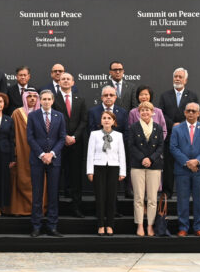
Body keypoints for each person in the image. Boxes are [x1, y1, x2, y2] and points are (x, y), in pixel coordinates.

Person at [26, 89, 66, 237]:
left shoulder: (59, 116)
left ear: (53, 101)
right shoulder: (32, 116)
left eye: (49, 99)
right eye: (44, 99)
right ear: (39, 101)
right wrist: (42, 154)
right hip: (37, 159)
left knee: (53, 194)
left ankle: (52, 226)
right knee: (37, 194)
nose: (46, 101)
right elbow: (30, 138)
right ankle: (36, 226)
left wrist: (52, 154)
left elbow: (62, 138)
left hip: (54, 160)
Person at [53, 72, 88, 217]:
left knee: (75, 177)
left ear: (73, 82)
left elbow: (83, 121)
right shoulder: (53, 99)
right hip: (58, 144)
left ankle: (76, 207)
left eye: (68, 79)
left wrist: (74, 137)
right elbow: (53, 120)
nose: (66, 81)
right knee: (56, 176)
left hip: (76, 143)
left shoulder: (80, 100)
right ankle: (54, 208)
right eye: (63, 79)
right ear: (59, 82)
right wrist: (64, 137)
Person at [158, 67, 199, 195]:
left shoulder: (192, 96)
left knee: (185, 163)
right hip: (169, 134)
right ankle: (167, 191)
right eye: (175, 76)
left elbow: (195, 114)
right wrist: (173, 124)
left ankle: (185, 191)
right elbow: (161, 114)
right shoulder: (165, 95)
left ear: (185, 80)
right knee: (168, 165)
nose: (177, 79)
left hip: (186, 135)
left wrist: (180, 125)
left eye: (180, 77)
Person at [86, 110, 127, 235]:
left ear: (113, 121)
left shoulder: (118, 135)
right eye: (104, 118)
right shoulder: (94, 134)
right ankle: (100, 225)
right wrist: (90, 171)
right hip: (99, 166)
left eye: (109, 118)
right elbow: (90, 153)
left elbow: (122, 154)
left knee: (111, 197)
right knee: (100, 197)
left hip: (114, 167)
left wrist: (123, 171)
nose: (106, 120)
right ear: (101, 121)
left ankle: (110, 225)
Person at [170, 102, 200, 237]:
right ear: (184, 113)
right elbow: (173, 148)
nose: (191, 113)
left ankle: (199, 227)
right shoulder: (177, 129)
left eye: (194, 111)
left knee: (199, 200)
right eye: (188, 111)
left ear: (199, 113)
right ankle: (183, 227)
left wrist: (197, 161)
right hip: (182, 170)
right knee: (182, 200)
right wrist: (187, 163)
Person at [127, 101, 163, 237]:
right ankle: (140, 225)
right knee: (139, 197)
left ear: (152, 112)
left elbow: (160, 146)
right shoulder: (133, 127)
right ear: (138, 113)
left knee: (153, 199)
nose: (145, 112)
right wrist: (143, 158)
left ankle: (150, 226)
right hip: (137, 165)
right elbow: (131, 146)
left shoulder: (158, 128)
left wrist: (151, 159)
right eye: (142, 110)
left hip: (154, 166)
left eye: (148, 110)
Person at [9, 88, 40, 216]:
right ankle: (19, 209)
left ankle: (39, 208)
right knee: (20, 177)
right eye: (29, 96)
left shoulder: (41, 113)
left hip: (39, 153)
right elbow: (11, 135)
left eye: (34, 96)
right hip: (21, 152)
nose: (32, 98)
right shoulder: (17, 113)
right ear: (24, 98)